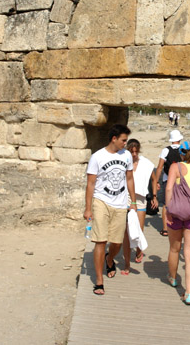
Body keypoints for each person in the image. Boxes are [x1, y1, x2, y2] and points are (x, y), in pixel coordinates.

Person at [84, 124, 136, 296]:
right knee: (100, 240)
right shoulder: (97, 157)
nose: (125, 143)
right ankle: (99, 281)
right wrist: (88, 208)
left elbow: (129, 178)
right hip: (101, 201)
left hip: (120, 203)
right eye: (123, 140)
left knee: (117, 242)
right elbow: (91, 183)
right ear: (114, 139)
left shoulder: (127, 155)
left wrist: (133, 201)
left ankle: (110, 258)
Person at [165, 141, 190, 306]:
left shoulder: (175, 167)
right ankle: (188, 293)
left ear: (181, 153)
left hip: (175, 213)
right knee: (189, 254)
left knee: (174, 248)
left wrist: (168, 208)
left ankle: (173, 278)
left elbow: (168, 189)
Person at [121, 139, 155, 273]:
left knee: (139, 228)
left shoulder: (145, 163)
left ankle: (139, 250)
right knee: (126, 232)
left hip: (140, 199)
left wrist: (154, 195)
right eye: (132, 151)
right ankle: (126, 264)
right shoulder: (123, 162)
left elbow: (153, 178)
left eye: (136, 151)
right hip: (126, 198)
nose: (134, 154)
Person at [151, 129, 183, 237]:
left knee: (166, 204)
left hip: (167, 179)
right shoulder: (184, 150)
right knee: (179, 203)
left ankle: (165, 228)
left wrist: (156, 180)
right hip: (180, 180)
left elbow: (160, 167)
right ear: (179, 139)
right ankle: (178, 226)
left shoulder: (166, 150)